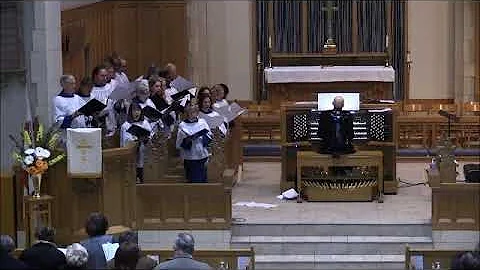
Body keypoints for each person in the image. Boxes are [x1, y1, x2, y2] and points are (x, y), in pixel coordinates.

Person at [176, 103, 212, 183]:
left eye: (195, 111)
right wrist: (187, 139)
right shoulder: (182, 125)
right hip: (190, 156)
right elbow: (179, 143)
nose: (194, 113)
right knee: (194, 180)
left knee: (203, 179)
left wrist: (202, 136)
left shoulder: (202, 122)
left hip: (202, 154)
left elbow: (209, 135)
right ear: (187, 112)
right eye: (191, 111)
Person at [120, 103, 153, 183]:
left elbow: (150, 135)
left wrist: (145, 138)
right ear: (130, 112)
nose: (136, 112)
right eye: (134, 110)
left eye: (138, 110)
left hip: (143, 153)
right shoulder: (126, 125)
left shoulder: (145, 123)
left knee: (142, 172)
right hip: (131, 155)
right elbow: (125, 141)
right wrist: (136, 140)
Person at [90, 64, 118, 136]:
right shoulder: (91, 91)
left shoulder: (111, 88)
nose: (105, 78)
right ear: (95, 76)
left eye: (106, 75)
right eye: (102, 76)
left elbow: (115, 105)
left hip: (112, 126)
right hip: (97, 127)